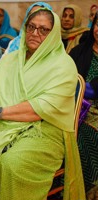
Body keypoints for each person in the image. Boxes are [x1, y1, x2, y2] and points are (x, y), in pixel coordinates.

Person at [0, 8, 86, 200]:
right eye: (31, 27)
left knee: (10, 165)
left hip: (43, 129)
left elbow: (42, 107)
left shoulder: (64, 65)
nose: (35, 33)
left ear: (53, 34)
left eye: (43, 30)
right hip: (0, 125)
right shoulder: (11, 59)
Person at [69, 11, 98, 200]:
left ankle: (89, 190)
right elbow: (65, 80)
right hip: (72, 107)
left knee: (82, 138)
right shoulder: (79, 51)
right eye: (97, 24)